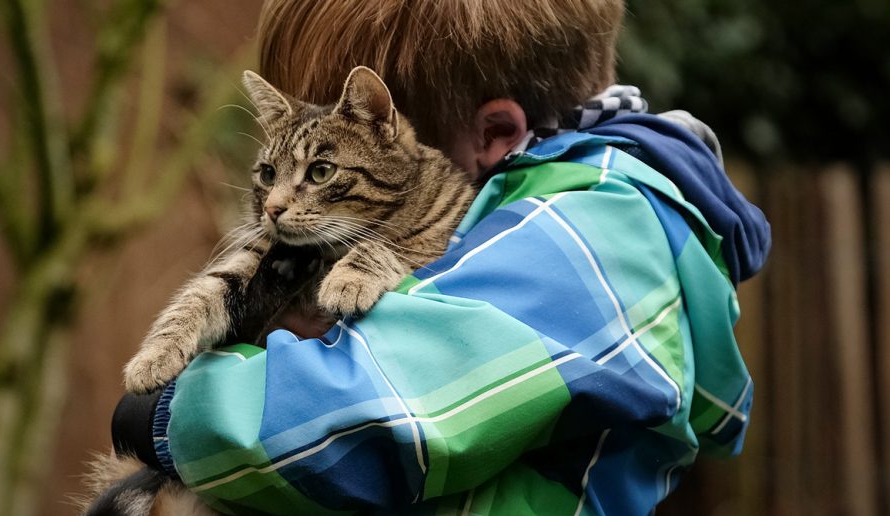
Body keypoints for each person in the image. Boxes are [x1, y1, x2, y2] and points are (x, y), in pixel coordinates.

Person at [109, 1, 771, 514]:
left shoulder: (596, 233)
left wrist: (170, 418)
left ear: (496, 135)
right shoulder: (558, 217)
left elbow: (367, 416)